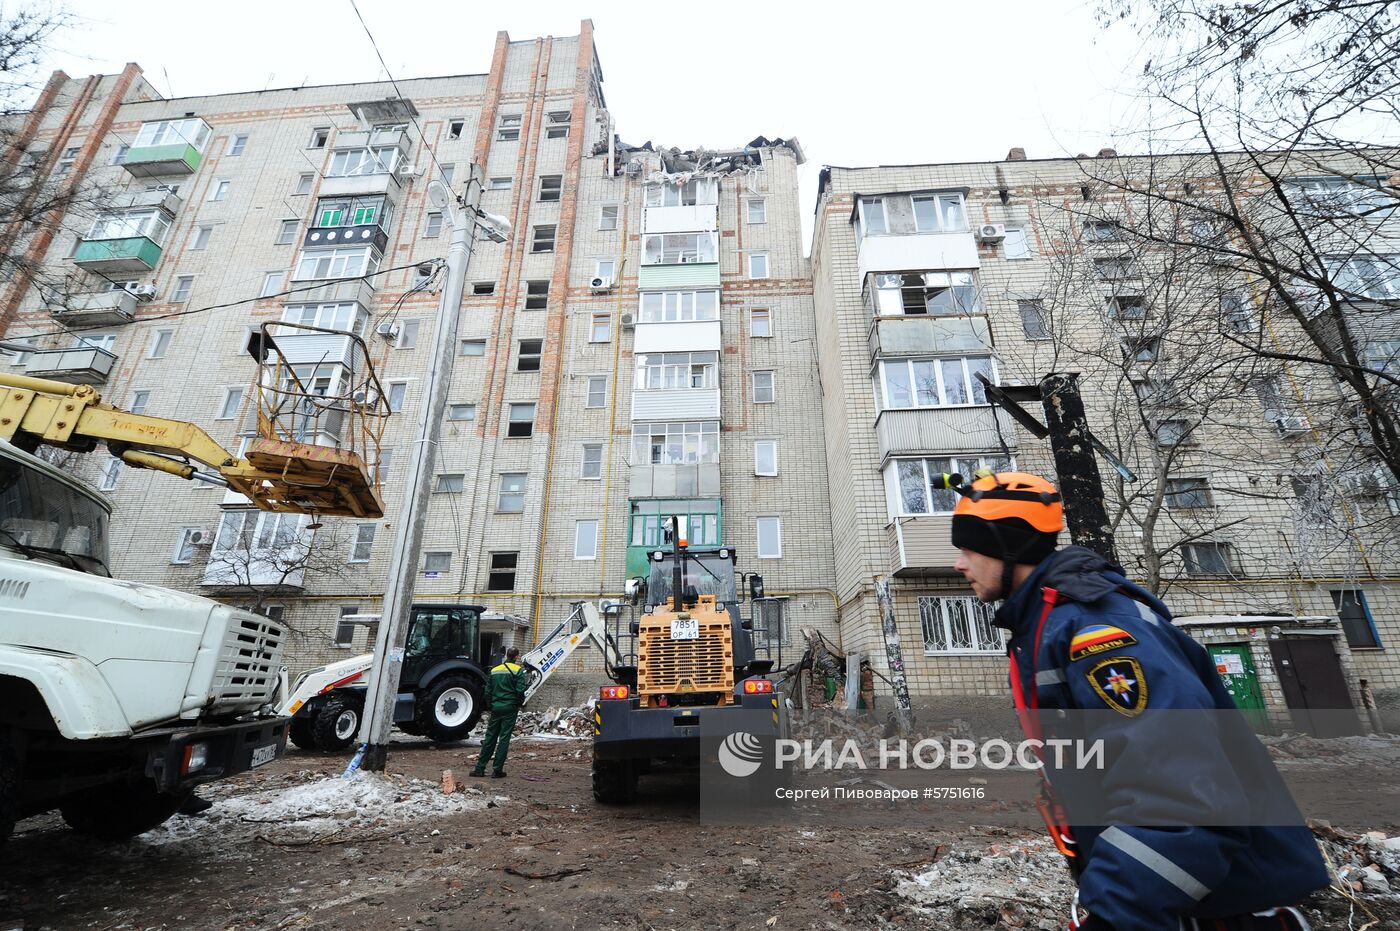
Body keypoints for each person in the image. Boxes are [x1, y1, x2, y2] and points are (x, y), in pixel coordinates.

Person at [947, 469, 1327, 931]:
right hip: (1183, 901)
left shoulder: (1097, 631)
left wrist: (1115, 913)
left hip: (1224, 908)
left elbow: (1181, 798)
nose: (960, 565)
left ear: (1006, 547)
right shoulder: (1046, 623)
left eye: (967, 550)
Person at [471, 646, 527, 779]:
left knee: (490, 737)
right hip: (510, 708)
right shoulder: (518, 671)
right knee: (504, 738)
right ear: (516, 657)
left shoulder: (495, 670)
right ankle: (497, 770)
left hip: (496, 707)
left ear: (506, 655)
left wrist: (491, 705)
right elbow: (520, 691)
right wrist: (518, 703)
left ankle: (479, 768)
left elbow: (488, 691)